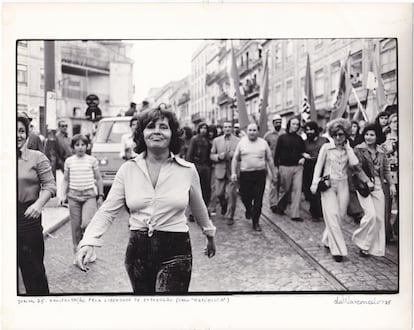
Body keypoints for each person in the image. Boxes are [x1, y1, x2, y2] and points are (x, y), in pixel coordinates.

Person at [75, 106, 216, 293]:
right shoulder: (127, 170)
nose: (157, 131)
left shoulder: (187, 170)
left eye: (163, 127)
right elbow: (107, 210)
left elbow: (199, 209)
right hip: (138, 251)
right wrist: (89, 240)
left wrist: (210, 235)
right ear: (142, 134)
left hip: (176, 249)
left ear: (173, 134)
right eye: (150, 126)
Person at [310, 118, 364, 262]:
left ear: (346, 135)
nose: (338, 138)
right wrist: (315, 183)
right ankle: (338, 251)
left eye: (341, 135)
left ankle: (327, 239)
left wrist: (348, 148)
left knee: (339, 215)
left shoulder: (348, 149)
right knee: (332, 215)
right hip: (328, 184)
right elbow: (318, 166)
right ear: (332, 135)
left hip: (343, 184)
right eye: (336, 135)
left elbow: (355, 164)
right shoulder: (326, 148)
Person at [17, 116, 56, 294]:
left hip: (27, 217)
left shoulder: (37, 157)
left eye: (21, 131)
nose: (17, 135)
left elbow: (50, 186)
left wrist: (38, 205)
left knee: (34, 274)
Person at [352, 124, 396, 256]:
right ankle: (360, 240)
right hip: (363, 186)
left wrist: (392, 184)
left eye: (372, 135)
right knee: (370, 215)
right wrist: (366, 181)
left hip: (378, 185)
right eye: (366, 134)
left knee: (379, 218)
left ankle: (371, 247)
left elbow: (386, 170)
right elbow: (356, 168)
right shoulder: (359, 149)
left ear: (377, 137)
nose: (368, 137)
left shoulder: (381, 151)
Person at [61, 134, 104, 261]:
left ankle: (90, 249)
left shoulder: (92, 160)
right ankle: (78, 253)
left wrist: (100, 196)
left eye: (83, 145)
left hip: (89, 196)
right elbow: (65, 180)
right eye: (77, 145)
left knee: (86, 223)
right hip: (73, 197)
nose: (80, 147)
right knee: (75, 227)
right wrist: (62, 195)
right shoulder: (69, 161)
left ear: (87, 146)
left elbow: (98, 178)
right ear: (73, 147)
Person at [231, 123, 277, 232]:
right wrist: (233, 173)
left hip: (259, 174)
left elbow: (269, 159)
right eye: (250, 130)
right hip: (245, 174)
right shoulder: (242, 143)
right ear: (247, 131)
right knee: (245, 196)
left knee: (258, 198)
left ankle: (256, 222)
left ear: (258, 131)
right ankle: (248, 208)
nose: (252, 132)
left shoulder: (263, 143)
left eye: (254, 130)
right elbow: (235, 158)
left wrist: (274, 174)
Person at [273, 117, 309, 222]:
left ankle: (295, 214)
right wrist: (276, 167)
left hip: (298, 167)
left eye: (297, 125)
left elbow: (303, 151)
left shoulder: (300, 139)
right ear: (289, 124)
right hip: (284, 167)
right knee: (285, 190)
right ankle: (280, 206)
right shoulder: (282, 138)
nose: (295, 126)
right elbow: (277, 153)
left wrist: (303, 158)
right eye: (293, 124)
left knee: (297, 190)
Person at [210, 122, 240, 225]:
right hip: (220, 169)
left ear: (232, 129)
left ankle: (230, 216)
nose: (227, 129)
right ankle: (223, 204)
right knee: (219, 193)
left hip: (232, 171)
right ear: (222, 129)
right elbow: (211, 155)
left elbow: (241, 155)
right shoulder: (216, 141)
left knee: (232, 194)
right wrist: (218, 157)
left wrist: (235, 155)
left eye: (229, 127)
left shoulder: (238, 141)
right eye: (225, 127)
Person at [302, 121, 328, 222]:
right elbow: (300, 151)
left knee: (322, 189)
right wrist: (303, 155)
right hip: (309, 168)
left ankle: (323, 211)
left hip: (322, 167)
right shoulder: (304, 142)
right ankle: (315, 213)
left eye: (311, 130)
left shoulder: (324, 140)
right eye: (307, 130)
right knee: (312, 191)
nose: (309, 132)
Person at [187, 122, 212, 209]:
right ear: (199, 129)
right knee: (195, 189)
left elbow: (209, 155)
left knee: (206, 189)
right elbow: (190, 154)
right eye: (202, 128)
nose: (203, 130)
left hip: (206, 167)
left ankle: (204, 208)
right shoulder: (194, 139)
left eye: (205, 128)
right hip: (197, 166)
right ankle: (193, 210)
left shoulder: (208, 140)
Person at [264, 114, 284, 212]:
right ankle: (273, 203)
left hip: (283, 161)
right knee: (274, 181)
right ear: (273, 123)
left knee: (282, 182)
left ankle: (281, 201)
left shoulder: (284, 133)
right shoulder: (268, 135)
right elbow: (264, 148)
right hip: (272, 162)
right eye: (276, 122)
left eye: (280, 122)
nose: (278, 124)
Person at [383, 113, 398, 239]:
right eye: (394, 121)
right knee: (387, 205)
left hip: (404, 176)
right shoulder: (385, 140)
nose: (397, 124)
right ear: (390, 124)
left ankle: (398, 227)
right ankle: (386, 232)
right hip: (390, 176)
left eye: (399, 121)